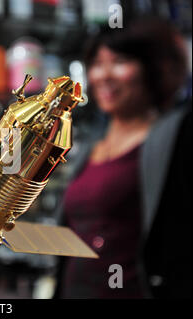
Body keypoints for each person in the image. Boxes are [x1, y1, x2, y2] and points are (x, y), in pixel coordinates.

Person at [55, 17, 191, 298]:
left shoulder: (175, 137)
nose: (103, 75)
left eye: (119, 61)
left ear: (153, 70)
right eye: (97, 63)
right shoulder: (90, 147)